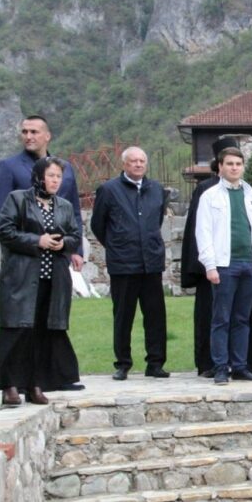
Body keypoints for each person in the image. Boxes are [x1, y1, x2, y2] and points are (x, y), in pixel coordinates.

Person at [180, 137, 252, 377]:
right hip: (224, 265)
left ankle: (240, 366)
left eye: (238, 164)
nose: (234, 168)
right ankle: (221, 367)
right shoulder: (209, 196)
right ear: (220, 167)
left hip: (249, 265)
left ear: (243, 166)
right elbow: (203, 232)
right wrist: (210, 266)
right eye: (229, 164)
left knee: (242, 319)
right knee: (221, 319)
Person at [0, 157, 82, 405]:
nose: (55, 181)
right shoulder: (18, 199)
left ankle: (35, 384)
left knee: (42, 332)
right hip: (22, 277)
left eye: (58, 177)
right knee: (16, 330)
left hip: (52, 280)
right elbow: (5, 231)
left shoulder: (63, 206)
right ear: (38, 176)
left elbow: (75, 234)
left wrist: (64, 243)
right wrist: (37, 240)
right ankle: (9, 385)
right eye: (51, 175)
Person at [91, 147, 170, 381]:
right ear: (124, 164)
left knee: (156, 316)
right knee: (123, 316)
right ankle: (123, 363)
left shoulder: (156, 189)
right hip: (123, 264)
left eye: (142, 161)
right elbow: (98, 225)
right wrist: (117, 245)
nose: (138, 164)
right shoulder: (108, 190)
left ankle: (155, 363)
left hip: (151, 263)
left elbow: (156, 220)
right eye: (133, 161)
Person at [0, 115, 84, 275]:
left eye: (34, 132)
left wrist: (76, 249)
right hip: (24, 257)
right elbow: (0, 215)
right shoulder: (9, 166)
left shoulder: (66, 169)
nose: (28, 136)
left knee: (56, 299)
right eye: (25, 132)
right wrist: (24, 244)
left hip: (58, 255)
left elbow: (74, 212)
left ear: (47, 136)